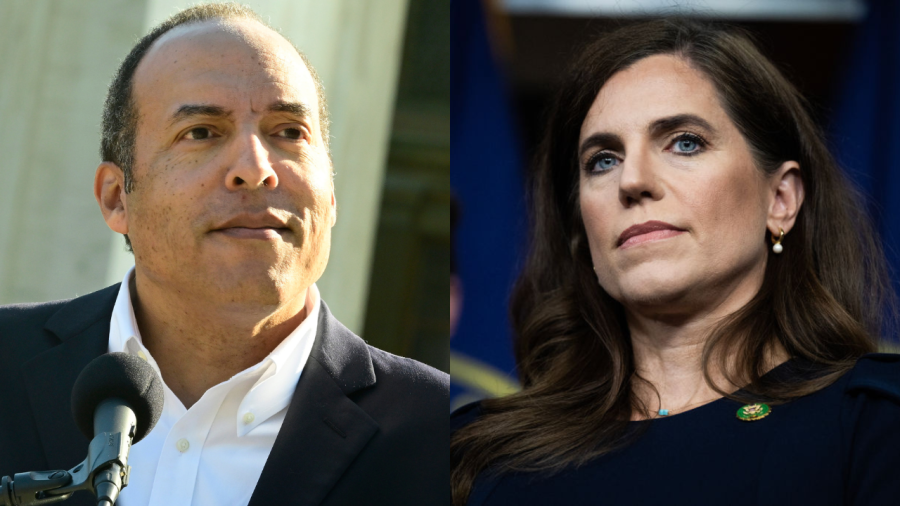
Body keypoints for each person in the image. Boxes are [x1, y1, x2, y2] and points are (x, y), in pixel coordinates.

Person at [0, 4, 448, 506]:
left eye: (288, 133)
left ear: (332, 196)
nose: (256, 169)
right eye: (202, 133)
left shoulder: (443, 439)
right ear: (116, 198)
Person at [451, 18, 900, 506]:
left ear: (780, 200)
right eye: (603, 159)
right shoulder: (476, 453)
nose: (633, 180)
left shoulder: (872, 423)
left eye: (685, 142)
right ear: (582, 229)